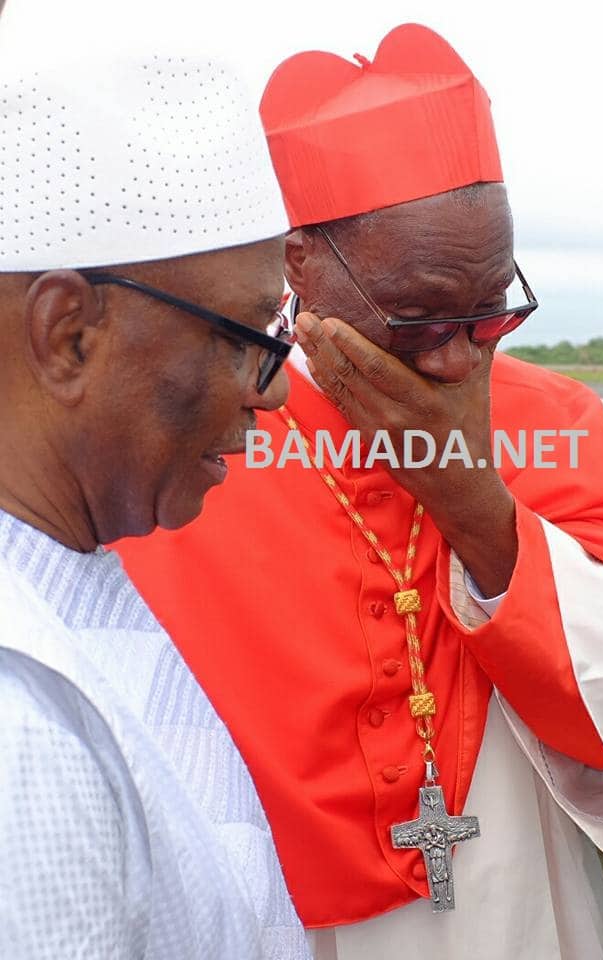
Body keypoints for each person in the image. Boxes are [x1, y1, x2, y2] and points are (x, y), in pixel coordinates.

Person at [117, 23, 603, 960]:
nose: (458, 354)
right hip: (271, 907)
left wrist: (472, 501)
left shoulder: (556, 412)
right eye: (422, 316)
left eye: (491, 311)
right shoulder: (186, 433)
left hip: (520, 901)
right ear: (298, 263)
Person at [0, 31, 310, 960]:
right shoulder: (21, 731)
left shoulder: (66, 569)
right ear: (68, 337)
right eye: (243, 333)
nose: (278, 388)